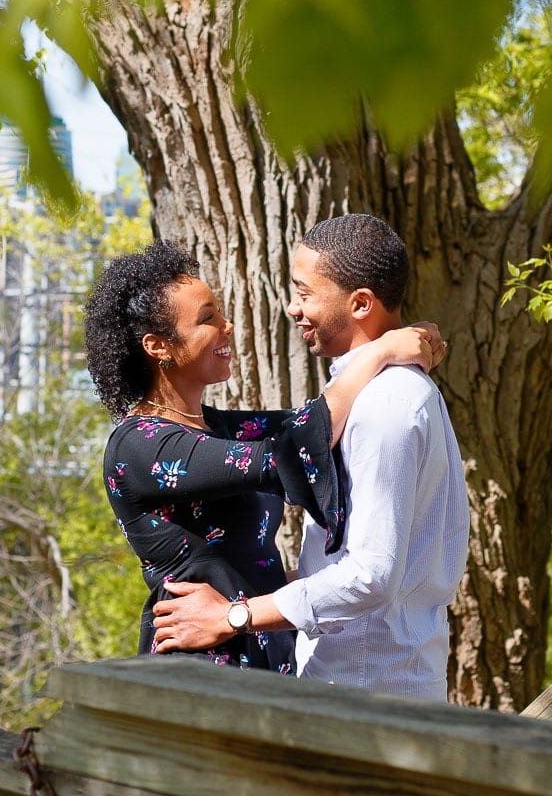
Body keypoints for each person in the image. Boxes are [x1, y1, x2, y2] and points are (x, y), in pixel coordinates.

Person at [84, 239, 444, 671]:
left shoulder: (219, 430)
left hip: (257, 652)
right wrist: (383, 350)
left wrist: (411, 334)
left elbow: (315, 422)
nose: (227, 325)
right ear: (158, 346)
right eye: (207, 319)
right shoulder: (141, 446)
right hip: (198, 670)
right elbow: (291, 453)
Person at [151, 215, 469, 701]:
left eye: (305, 293)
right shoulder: (374, 391)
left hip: (367, 693)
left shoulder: (386, 407)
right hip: (362, 681)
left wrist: (232, 616)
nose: (293, 307)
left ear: (360, 302)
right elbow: (300, 437)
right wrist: (385, 347)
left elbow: (370, 576)